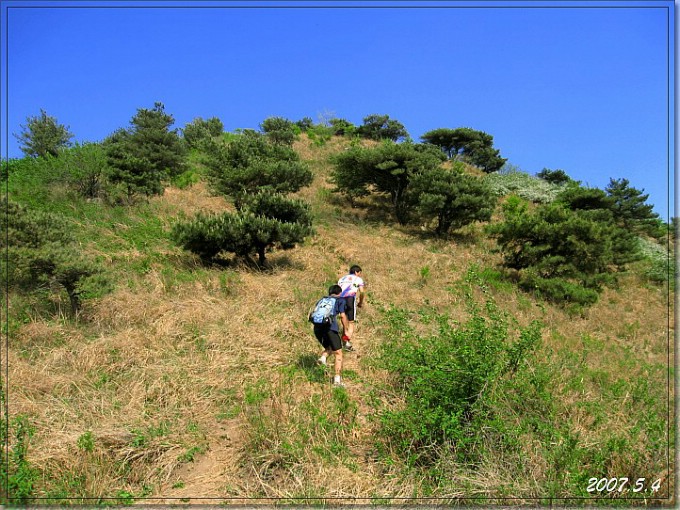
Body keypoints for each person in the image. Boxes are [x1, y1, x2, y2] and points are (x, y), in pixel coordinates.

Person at [311, 284, 350, 387]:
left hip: (317, 328)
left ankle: (323, 358)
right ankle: (337, 381)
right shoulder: (340, 300)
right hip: (330, 328)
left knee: (330, 347)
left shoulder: (321, 300)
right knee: (338, 353)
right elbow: (342, 316)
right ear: (339, 293)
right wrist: (345, 330)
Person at [337, 265, 366, 351]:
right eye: (359, 273)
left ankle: (345, 341)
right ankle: (346, 341)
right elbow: (362, 292)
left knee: (344, 319)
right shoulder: (358, 279)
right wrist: (360, 302)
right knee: (351, 322)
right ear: (357, 272)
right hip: (350, 299)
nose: (359, 275)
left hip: (340, 299)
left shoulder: (341, 279)